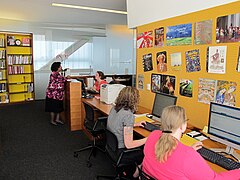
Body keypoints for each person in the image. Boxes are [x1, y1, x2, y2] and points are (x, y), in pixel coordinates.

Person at [142, 106, 240, 179]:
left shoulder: (154, 135)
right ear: (183, 126)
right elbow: (215, 179)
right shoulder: (187, 155)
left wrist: (189, 150)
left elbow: (170, 155)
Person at [107, 86, 147, 178]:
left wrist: (134, 124)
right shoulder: (128, 115)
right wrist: (148, 139)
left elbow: (119, 124)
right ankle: (134, 176)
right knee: (145, 151)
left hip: (111, 147)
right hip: (121, 152)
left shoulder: (115, 108)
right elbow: (129, 145)